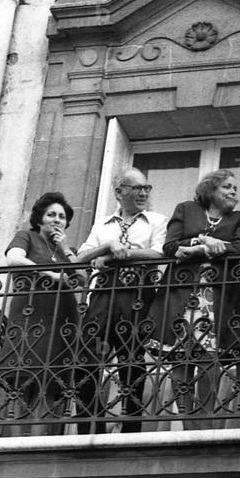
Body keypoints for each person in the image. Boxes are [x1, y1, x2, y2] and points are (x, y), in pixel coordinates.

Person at [145, 169, 240, 425]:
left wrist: (198, 249)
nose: (233, 191)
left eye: (235, 188)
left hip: (217, 301)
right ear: (211, 189)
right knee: (180, 369)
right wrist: (202, 242)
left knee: (208, 367)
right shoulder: (186, 209)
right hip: (181, 299)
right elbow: (170, 247)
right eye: (227, 186)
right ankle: (187, 429)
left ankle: (204, 429)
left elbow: (239, 249)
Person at [76, 168, 167, 433]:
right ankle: (89, 425)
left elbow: (160, 254)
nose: (143, 193)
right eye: (136, 188)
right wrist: (107, 246)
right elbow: (81, 257)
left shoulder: (156, 220)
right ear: (119, 192)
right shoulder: (102, 224)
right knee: (88, 356)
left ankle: (130, 426)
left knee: (132, 359)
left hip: (137, 294)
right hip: (103, 294)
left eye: (146, 188)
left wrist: (118, 255)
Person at [0, 192, 83, 435]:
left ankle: (41, 437)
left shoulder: (67, 249)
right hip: (31, 315)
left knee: (53, 380)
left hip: (62, 318)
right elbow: (14, 259)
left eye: (62, 216)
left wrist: (65, 248)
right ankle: (13, 439)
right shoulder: (28, 237)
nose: (57, 220)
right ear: (40, 218)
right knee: (22, 375)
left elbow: (81, 277)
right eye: (51, 214)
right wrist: (53, 274)